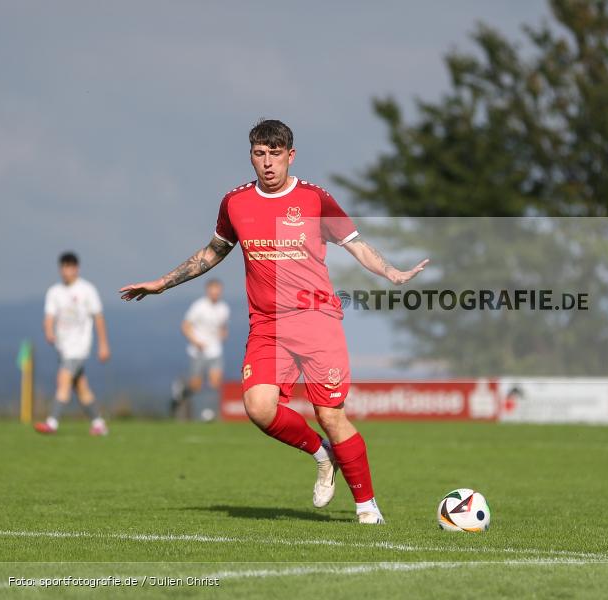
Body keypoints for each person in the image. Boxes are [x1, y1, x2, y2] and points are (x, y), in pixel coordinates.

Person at [119, 119, 427, 524]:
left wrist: (391, 273)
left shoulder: (315, 200)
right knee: (259, 407)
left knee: (331, 416)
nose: (267, 163)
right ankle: (322, 454)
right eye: (259, 154)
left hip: (317, 318)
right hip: (267, 324)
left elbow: (356, 244)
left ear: (290, 156)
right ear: (251, 156)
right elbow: (213, 252)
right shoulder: (235, 203)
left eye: (275, 154)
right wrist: (163, 282)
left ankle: (367, 508)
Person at [35, 252, 111, 436]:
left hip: (79, 347)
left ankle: (52, 422)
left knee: (63, 382)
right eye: (63, 267)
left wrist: (103, 344)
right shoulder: (55, 292)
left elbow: (98, 317)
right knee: (81, 388)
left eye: (70, 267)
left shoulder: (87, 290)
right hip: (63, 347)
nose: (66, 271)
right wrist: (49, 332)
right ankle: (99, 424)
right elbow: (49, 317)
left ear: (77, 268)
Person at [171, 279, 230, 421]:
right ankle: (181, 391)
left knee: (215, 383)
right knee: (196, 386)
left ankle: (209, 413)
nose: (216, 293)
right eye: (213, 290)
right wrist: (195, 341)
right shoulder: (199, 306)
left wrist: (223, 335)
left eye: (218, 290)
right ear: (208, 291)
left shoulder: (224, 308)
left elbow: (223, 327)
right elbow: (185, 326)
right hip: (198, 351)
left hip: (215, 351)